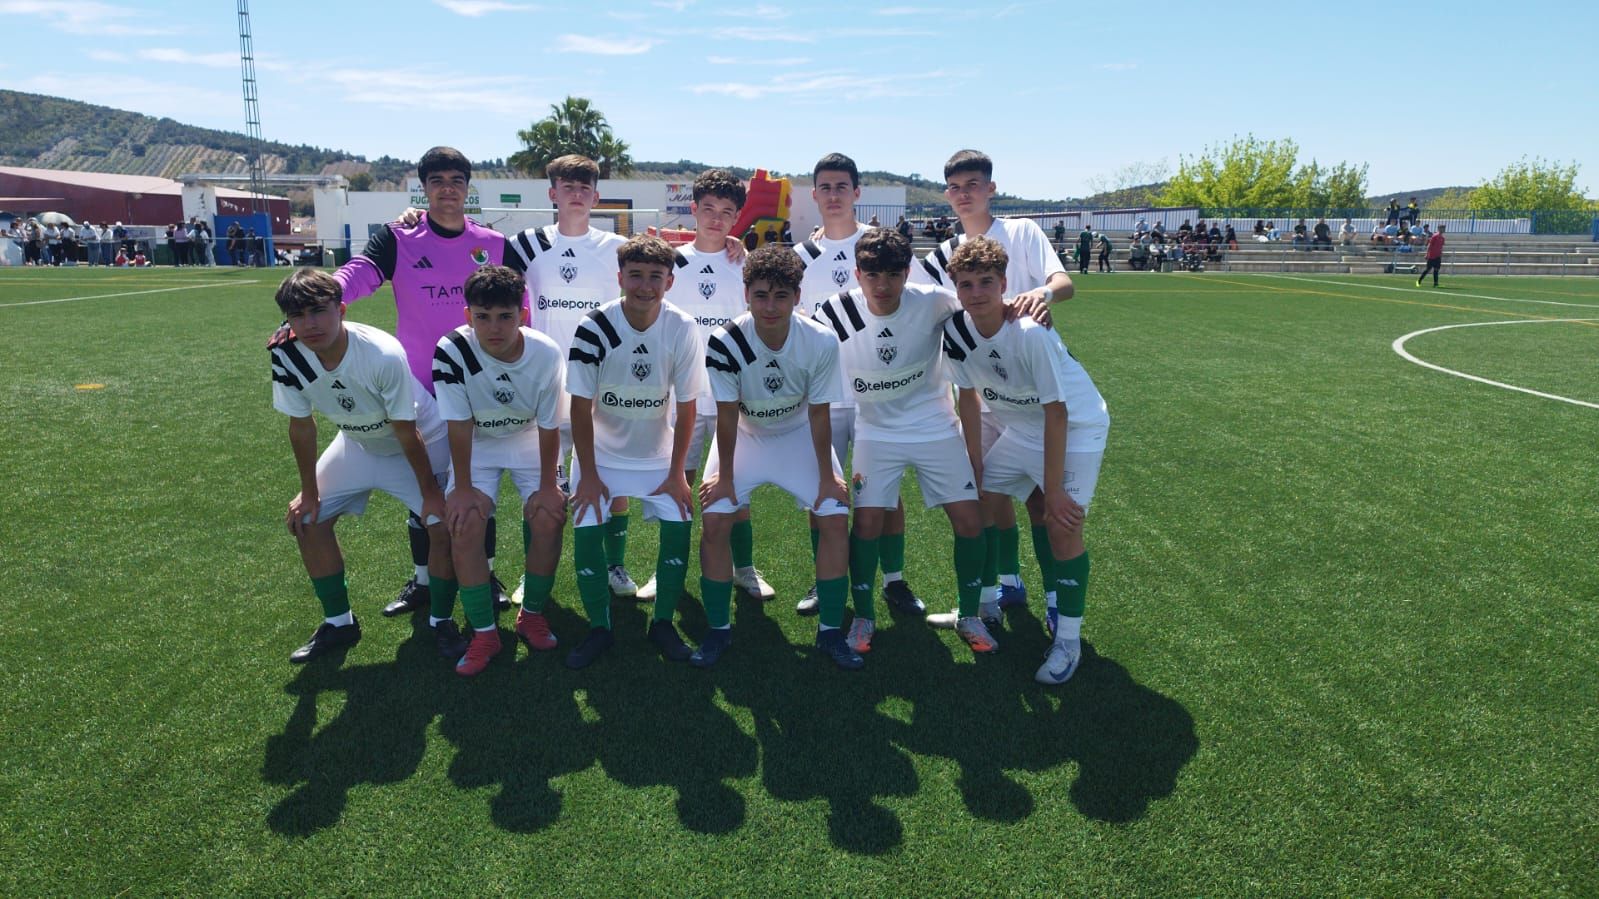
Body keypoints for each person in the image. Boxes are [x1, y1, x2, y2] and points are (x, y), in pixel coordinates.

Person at [312, 146, 523, 620]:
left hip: (478, 387)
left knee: (475, 490)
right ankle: (425, 580)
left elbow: (518, 303)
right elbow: (360, 274)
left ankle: (484, 575)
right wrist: (320, 299)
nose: (448, 188)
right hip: (418, 388)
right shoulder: (400, 237)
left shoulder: (493, 243)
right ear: (424, 188)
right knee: (423, 487)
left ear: (468, 188)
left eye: (456, 180)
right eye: (437, 181)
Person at [908, 149, 1072, 617]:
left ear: (991, 188)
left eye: (974, 184)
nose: (965, 194)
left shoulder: (1021, 231)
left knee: (1041, 502)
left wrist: (1037, 295)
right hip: (979, 384)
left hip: (1031, 383)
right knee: (988, 497)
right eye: (956, 188)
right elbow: (902, 283)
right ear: (947, 195)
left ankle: (1057, 599)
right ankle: (1008, 584)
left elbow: (1063, 282)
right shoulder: (944, 254)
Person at [941, 236, 1109, 684]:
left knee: (1063, 523)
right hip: (1023, 427)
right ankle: (990, 598)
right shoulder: (956, 330)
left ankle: (1068, 641)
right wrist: (974, 463)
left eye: (986, 282)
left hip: (1077, 428)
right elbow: (968, 398)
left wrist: (1053, 490)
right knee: (982, 499)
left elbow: (1058, 412)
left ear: (1004, 284)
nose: (976, 293)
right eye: (966, 284)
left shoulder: (1029, 332)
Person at [268, 268, 453, 664]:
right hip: (356, 442)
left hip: (421, 443)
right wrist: (310, 492)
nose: (309, 324)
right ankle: (339, 622)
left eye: (319, 311)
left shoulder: (381, 353)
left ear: (342, 308)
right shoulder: (285, 351)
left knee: (441, 526)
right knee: (307, 519)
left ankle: (441, 619)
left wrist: (431, 495)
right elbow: (301, 426)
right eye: (298, 315)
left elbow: (407, 432)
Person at [695, 245, 851, 667]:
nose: (770, 305)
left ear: (798, 297)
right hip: (745, 434)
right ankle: (717, 631)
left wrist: (825, 478)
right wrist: (725, 479)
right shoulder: (725, 340)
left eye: (781, 296)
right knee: (715, 519)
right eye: (761, 294)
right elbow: (727, 417)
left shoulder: (818, 339)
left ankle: (832, 632)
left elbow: (819, 415)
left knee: (834, 515)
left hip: (797, 432)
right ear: (746, 293)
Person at [565, 234, 708, 669]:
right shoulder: (594, 327)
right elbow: (578, 407)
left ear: (669, 280)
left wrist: (678, 471)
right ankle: (600, 628)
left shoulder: (681, 326)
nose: (645, 286)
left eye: (655, 277)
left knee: (680, 520)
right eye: (636, 275)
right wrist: (588, 473)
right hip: (601, 457)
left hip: (658, 458)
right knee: (586, 523)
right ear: (620, 276)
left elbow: (687, 407)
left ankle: (662, 622)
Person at [791, 152, 924, 618]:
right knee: (820, 487)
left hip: (877, 393)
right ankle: (821, 575)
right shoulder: (800, 256)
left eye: (841, 187)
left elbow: (916, 304)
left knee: (883, 491)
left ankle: (895, 580)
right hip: (822, 395)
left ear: (856, 193)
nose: (833, 195)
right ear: (814, 194)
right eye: (824, 187)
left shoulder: (883, 245)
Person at [638, 168, 776, 604]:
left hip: (735, 395)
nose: (717, 219)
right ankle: (667, 572)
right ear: (693, 210)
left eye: (727, 212)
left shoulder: (746, 265)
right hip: (682, 396)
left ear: (737, 218)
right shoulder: (670, 263)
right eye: (709, 209)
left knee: (735, 484)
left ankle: (745, 569)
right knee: (678, 480)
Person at [434, 265, 567, 676]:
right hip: (477, 444)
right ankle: (485, 633)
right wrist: (462, 490)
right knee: (465, 523)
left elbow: (549, 426)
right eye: (482, 316)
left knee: (549, 517)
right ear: (466, 315)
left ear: (522, 314)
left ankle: (532, 615)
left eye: (505, 316)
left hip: (529, 438)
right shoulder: (451, 350)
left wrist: (548, 486)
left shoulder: (545, 353)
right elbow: (458, 425)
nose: (494, 327)